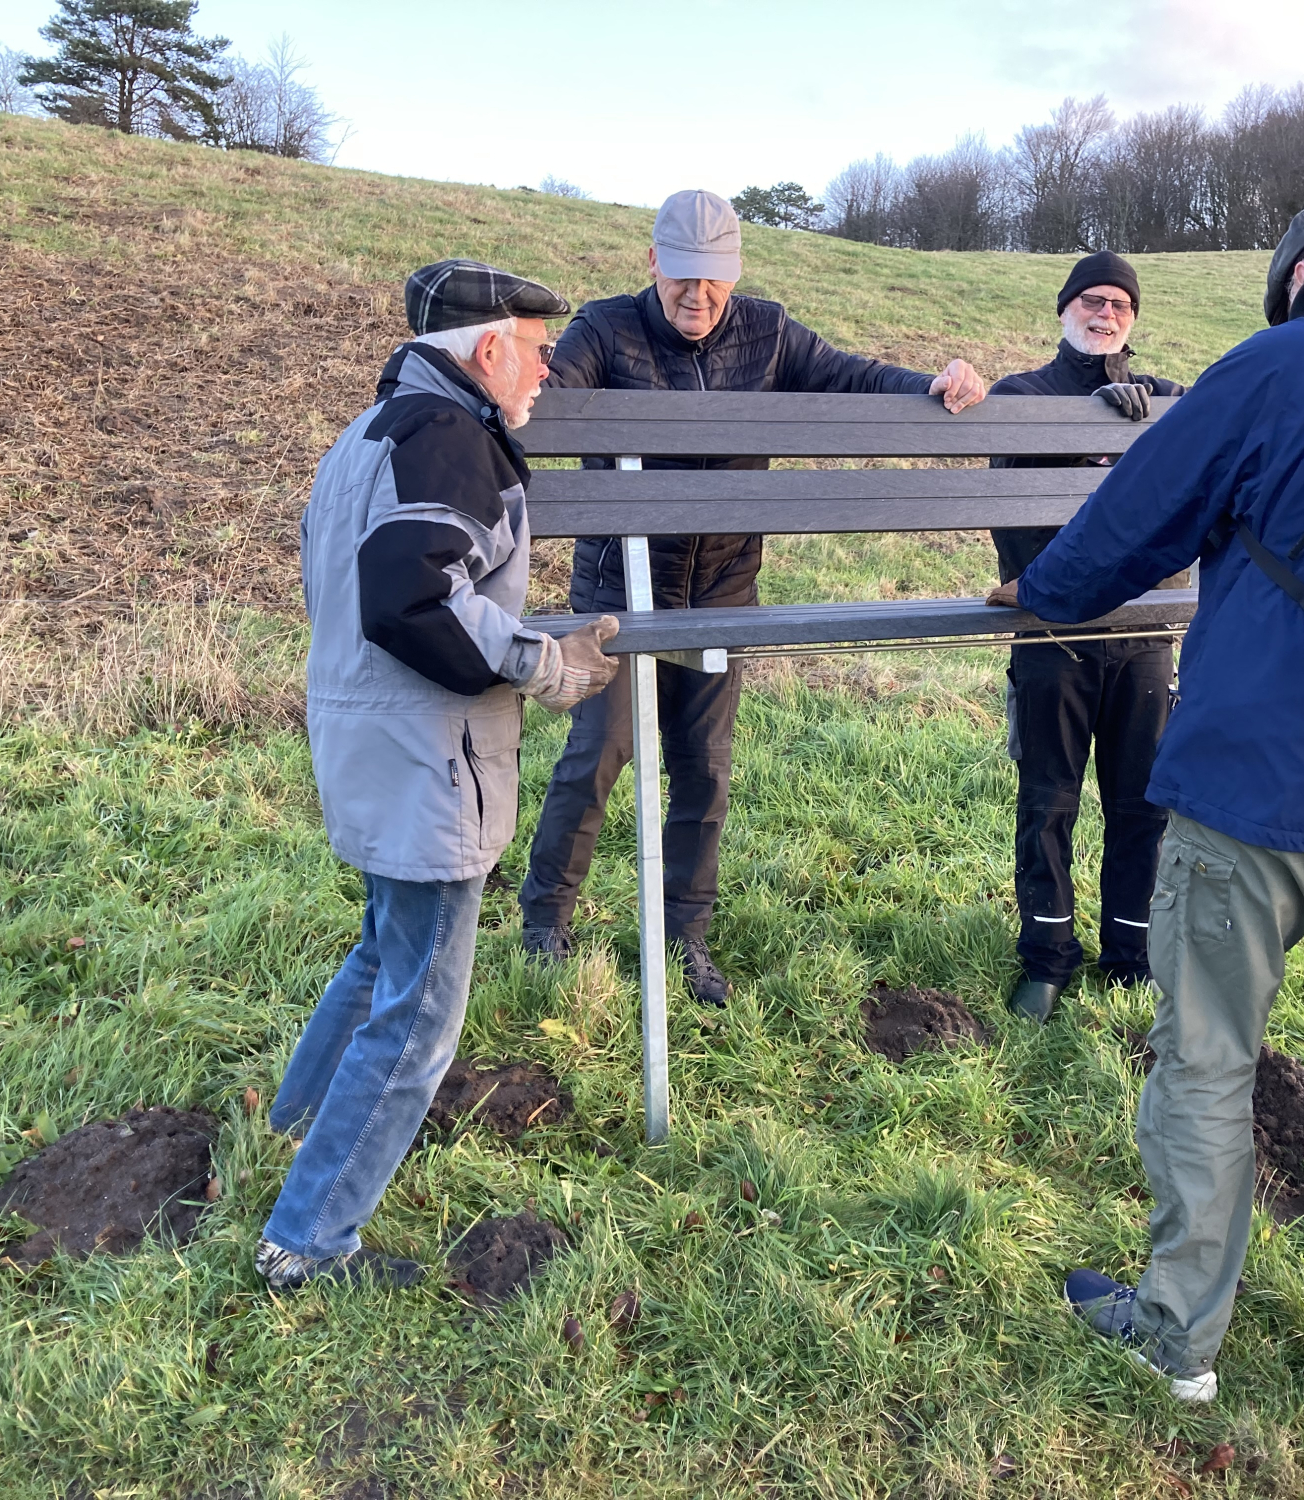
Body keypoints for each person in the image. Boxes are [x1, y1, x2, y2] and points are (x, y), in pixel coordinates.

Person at [992, 190, 1304, 1435]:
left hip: (1258, 784)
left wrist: (1039, 591)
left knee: (1208, 1056)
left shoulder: (1283, 359)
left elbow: (1135, 514)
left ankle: (1177, 1337)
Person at [518, 188, 988, 1004]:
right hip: (617, 594)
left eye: (715, 281)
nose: (698, 297)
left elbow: (852, 378)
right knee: (599, 754)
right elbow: (546, 400)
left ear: (733, 275)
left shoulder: (769, 332)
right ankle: (544, 926)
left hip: (722, 591)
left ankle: (684, 936)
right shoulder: (605, 328)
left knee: (705, 768)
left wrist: (936, 381)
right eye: (683, 278)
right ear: (654, 262)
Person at [256, 260, 621, 1290]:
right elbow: (411, 594)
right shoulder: (450, 437)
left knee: (382, 954)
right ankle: (307, 1242)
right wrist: (543, 665)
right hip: (428, 754)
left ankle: (292, 1127)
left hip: (368, 737)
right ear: (487, 347)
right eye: (535, 347)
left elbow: (358, 590)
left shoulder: (366, 435)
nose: (547, 368)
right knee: (420, 1016)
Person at [986, 251, 1188, 1024]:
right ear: (1064, 309)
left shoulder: (1166, 400)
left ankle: (1131, 957)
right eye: (1092, 302)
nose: (1106, 316)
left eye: (1121, 307)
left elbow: (1207, 452)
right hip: (1052, 635)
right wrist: (1085, 430)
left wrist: (1148, 423)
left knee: (1143, 806)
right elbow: (1016, 512)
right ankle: (1046, 956)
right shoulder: (1022, 396)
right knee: (1047, 801)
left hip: (1143, 634)